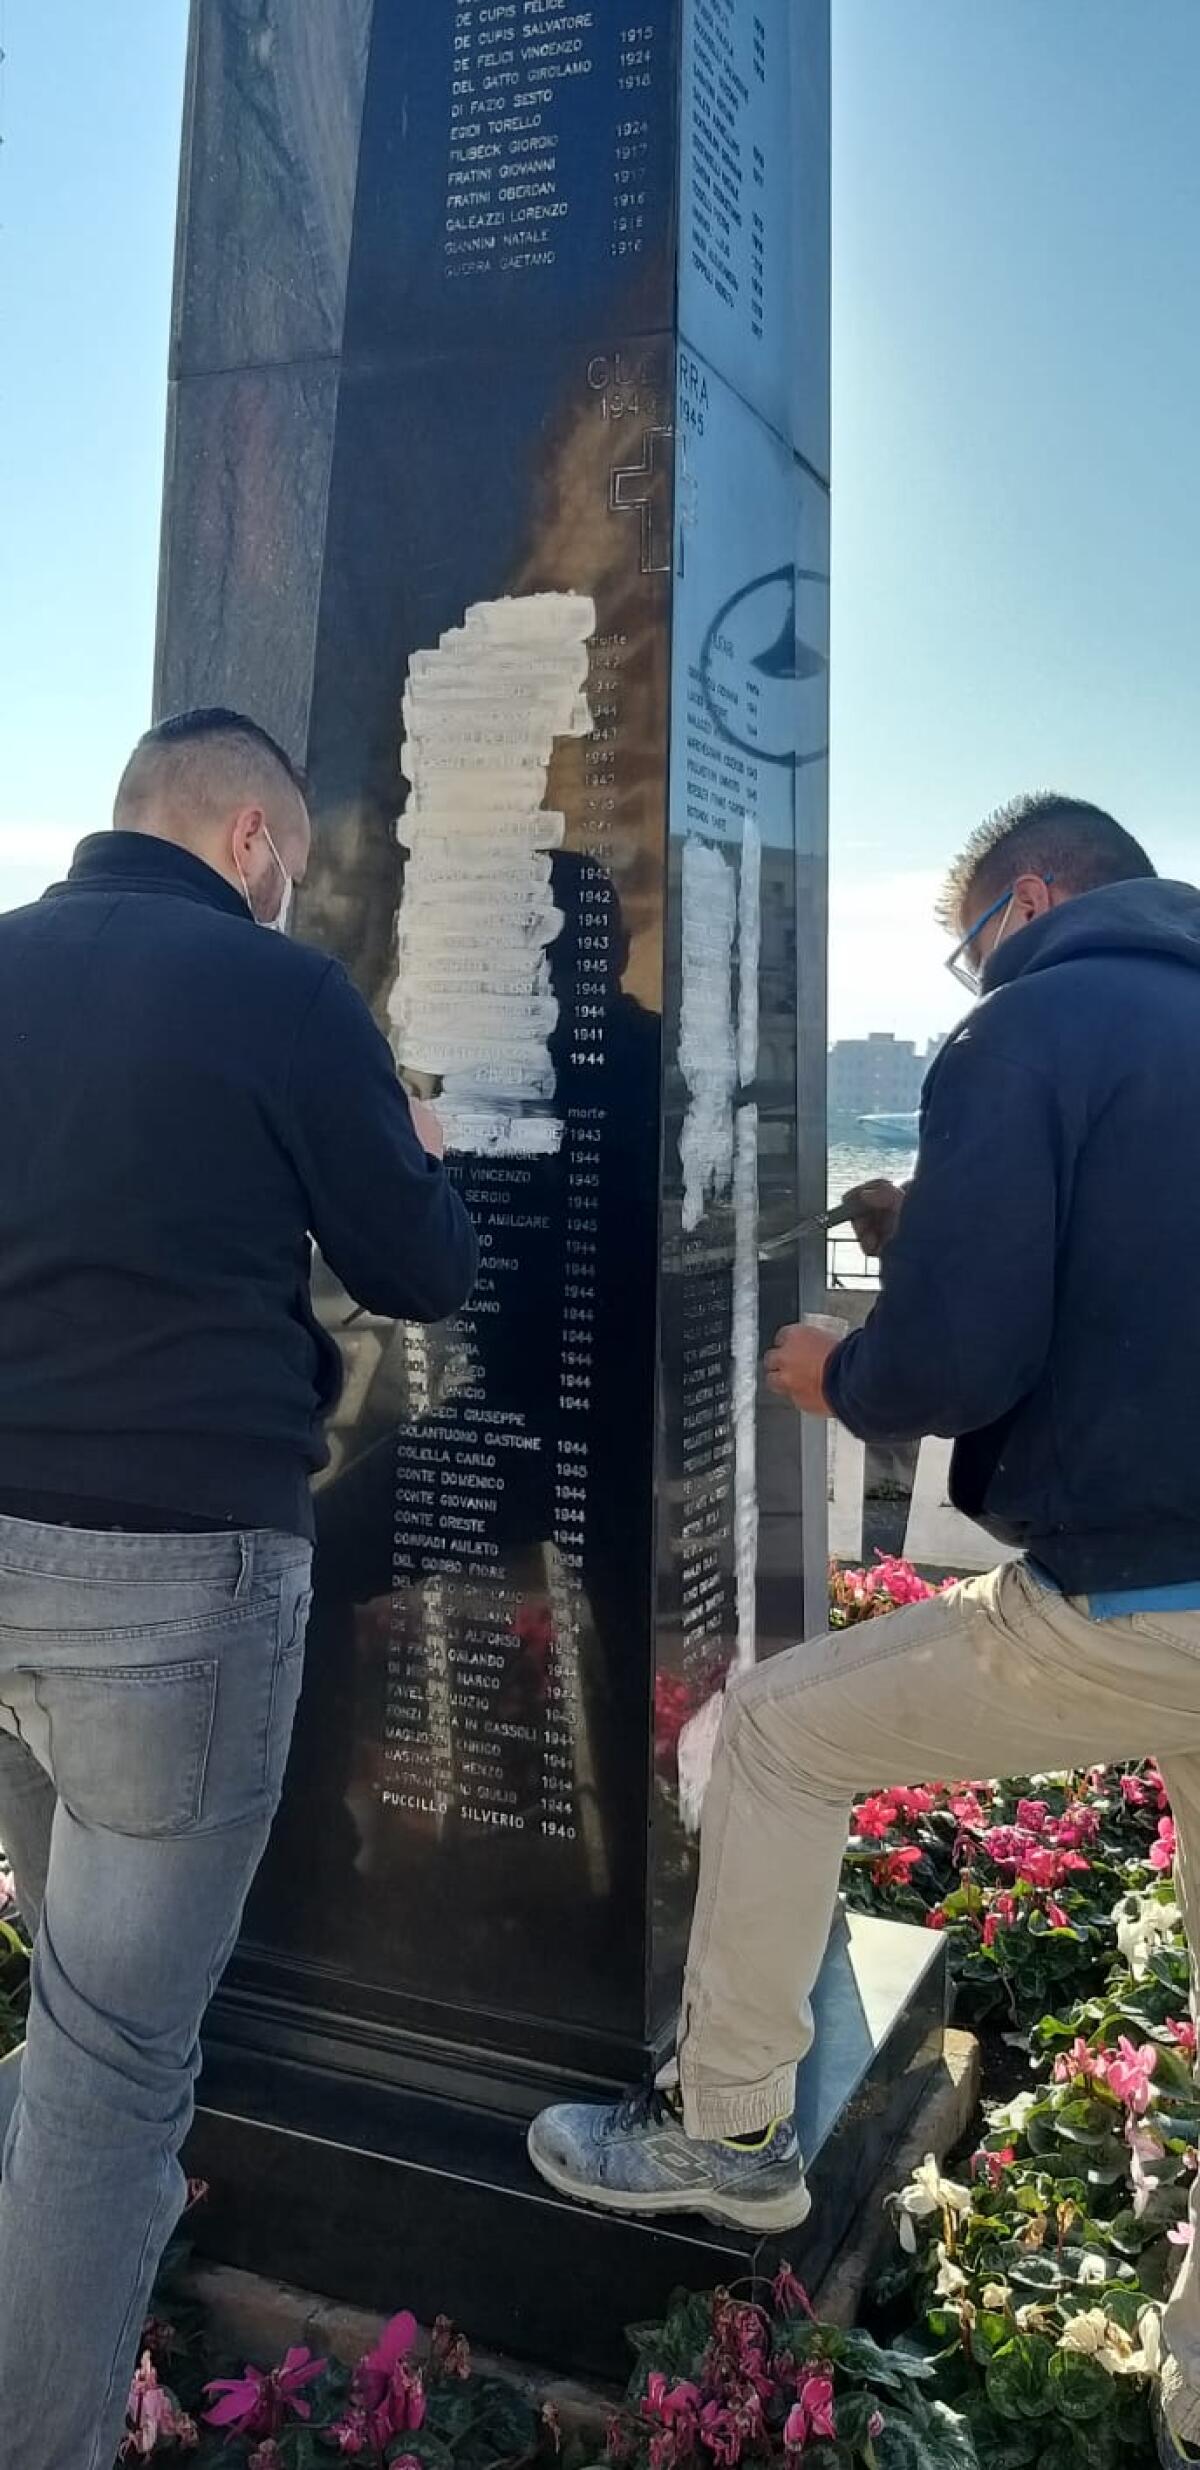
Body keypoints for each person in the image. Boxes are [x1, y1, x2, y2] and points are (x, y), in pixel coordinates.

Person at [528, 791, 1200, 2464]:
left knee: (772, 1726)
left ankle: (729, 2126)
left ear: (1033, 897)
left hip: (1138, 1598)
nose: (970, 966)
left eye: (968, 932)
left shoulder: (1027, 1026)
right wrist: (940, 1230)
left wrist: (852, 1370)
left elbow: (959, 1360)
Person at [0, 709, 476, 2470]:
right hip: (170, 1585)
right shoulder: (287, 998)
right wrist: (412, 1140)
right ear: (257, 842)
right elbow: (413, 1267)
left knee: (73, 2017)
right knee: (117, 2065)